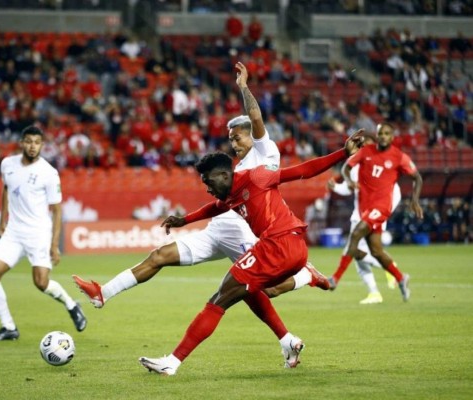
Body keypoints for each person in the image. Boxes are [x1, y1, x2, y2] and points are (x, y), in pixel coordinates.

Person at [138, 133, 362, 376]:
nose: (207, 188)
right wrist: (185, 219)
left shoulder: (257, 176)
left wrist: (343, 153)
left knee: (219, 299)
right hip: (293, 247)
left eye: (209, 181)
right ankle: (299, 300)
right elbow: (215, 207)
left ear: (225, 175)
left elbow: (303, 170)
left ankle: (172, 362)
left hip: (278, 245)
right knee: (252, 292)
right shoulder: (230, 195)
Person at [265, 133, 400, 303]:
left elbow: (395, 192)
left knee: (353, 251)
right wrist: (336, 187)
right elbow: (349, 189)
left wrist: (383, 212)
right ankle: (375, 290)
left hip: (374, 216)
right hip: (358, 216)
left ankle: (386, 269)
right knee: (358, 255)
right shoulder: (359, 167)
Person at [0, 125, 86, 341]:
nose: (32, 146)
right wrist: (2, 220)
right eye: (28, 141)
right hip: (13, 232)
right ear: (21, 142)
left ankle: (71, 304)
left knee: (41, 283)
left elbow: (56, 210)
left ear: (42, 145)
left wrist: (54, 244)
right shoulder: (7, 164)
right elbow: (5, 190)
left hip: (38, 233)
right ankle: (9, 327)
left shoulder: (48, 173)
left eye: (36, 142)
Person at [328, 122, 423, 302]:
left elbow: (417, 177)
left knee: (355, 236)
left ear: (392, 137)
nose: (383, 137)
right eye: (381, 133)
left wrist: (415, 200)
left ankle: (335, 278)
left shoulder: (398, 157)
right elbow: (346, 167)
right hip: (365, 208)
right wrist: (348, 180)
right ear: (377, 135)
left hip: (381, 208)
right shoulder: (366, 152)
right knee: (376, 251)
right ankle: (401, 278)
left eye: (387, 134)